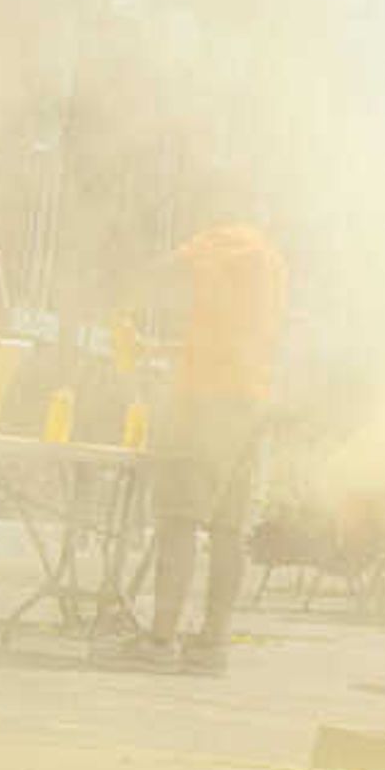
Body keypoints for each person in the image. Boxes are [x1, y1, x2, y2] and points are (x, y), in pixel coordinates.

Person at [129, 193, 288, 673]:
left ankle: (159, 641)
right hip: (251, 400)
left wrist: (124, 298)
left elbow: (160, 273)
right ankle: (212, 645)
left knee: (179, 519)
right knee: (228, 528)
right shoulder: (271, 257)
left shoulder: (221, 241)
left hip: (206, 400)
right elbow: (233, 333)